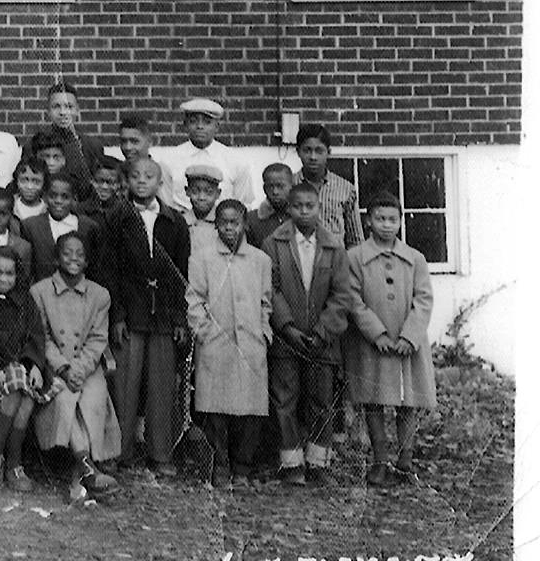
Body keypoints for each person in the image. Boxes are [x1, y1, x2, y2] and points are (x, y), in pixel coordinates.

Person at [340, 193, 436, 487]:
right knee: (374, 401)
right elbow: (352, 298)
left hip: (407, 345)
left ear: (400, 222)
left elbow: (424, 299)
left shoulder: (415, 258)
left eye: (392, 219)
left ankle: (405, 460)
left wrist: (410, 336)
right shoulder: (355, 257)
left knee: (408, 401)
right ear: (369, 221)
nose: (386, 225)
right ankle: (380, 460)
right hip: (374, 344)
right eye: (380, 219)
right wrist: (376, 332)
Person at [104, 158, 190, 476]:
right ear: (127, 182)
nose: (142, 181)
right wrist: (118, 316)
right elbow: (110, 270)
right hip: (131, 309)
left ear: (160, 183)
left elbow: (181, 274)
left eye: (149, 176)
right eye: (136, 176)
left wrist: (179, 317)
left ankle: (161, 453)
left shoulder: (174, 222)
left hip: (164, 313)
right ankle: (119, 450)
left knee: (162, 384)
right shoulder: (116, 218)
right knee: (125, 385)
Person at [263, 181, 349, 486]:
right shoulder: (275, 242)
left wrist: (323, 330)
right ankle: (291, 463)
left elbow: (342, 293)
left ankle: (318, 462)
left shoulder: (333, 245)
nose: (303, 211)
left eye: (309, 206)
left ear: (318, 208)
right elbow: (270, 288)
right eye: (297, 206)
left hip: (322, 339)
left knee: (321, 399)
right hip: (288, 338)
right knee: (285, 398)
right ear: (289, 208)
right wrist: (287, 327)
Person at [185, 200, 271, 489]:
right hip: (215, 343)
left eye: (235, 222)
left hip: (250, 343)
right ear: (216, 225)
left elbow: (265, 301)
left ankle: (242, 467)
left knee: (250, 410)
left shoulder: (260, 260)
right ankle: (219, 465)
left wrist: (264, 332)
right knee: (215, 408)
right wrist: (204, 332)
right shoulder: (202, 258)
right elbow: (194, 298)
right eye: (223, 222)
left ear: (245, 223)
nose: (229, 228)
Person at [30, 232, 122, 502]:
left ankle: (80, 473)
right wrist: (63, 368)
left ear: (87, 261)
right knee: (64, 400)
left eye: (79, 254)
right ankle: (85, 469)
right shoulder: (40, 292)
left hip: (86, 365)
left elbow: (97, 339)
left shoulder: (99, 295)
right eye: (67, 253)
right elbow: (42, 338)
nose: (73, 259)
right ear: (57, 258)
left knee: (92, 401)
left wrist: (79, 370)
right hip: (54, 366)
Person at [0, 248, 47, 491]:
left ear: (17, 275)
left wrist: (35, 364)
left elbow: (37, 334)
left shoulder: (25, 300)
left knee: (26, 399)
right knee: (16, 387)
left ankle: (11, 461)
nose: (4, 279)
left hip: (24, 363)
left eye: (9, 274)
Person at [158, 97, 246, 211]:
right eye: (193, 121)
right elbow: (166, 204)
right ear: (185, 125)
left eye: (207, 122)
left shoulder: (235, 161)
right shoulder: (168, 160)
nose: (200, 126)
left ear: (217, 126)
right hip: (182, 224)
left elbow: (243, 205)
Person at [23, 171, 102, 285]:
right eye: (53, 196)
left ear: (74, 199)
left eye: (65, 197)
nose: (58, 201)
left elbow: (94, 268)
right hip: (43, 294)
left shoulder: (88, 226)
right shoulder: (30, 226)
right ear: (45, 197)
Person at [292, 124, 362, 248]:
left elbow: (355, 240)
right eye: (307, 150)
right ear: (298, 152)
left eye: (319, 151)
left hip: (335, 262)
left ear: (328, 152)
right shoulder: (290, 186)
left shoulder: (345, 189)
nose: (313, 157)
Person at [36, 83, 108, 184]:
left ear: (77, 110)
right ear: (48, 111)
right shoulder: (34, 144)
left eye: (69, 107)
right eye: (56, 106)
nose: (63, 112)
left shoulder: (92, 147)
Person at [247, 162, 297, 248]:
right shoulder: (252, 220)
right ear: (264, 189)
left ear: (292, 187)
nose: (275, 192)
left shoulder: (302, 216)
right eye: (270, 187)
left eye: (280, 186)